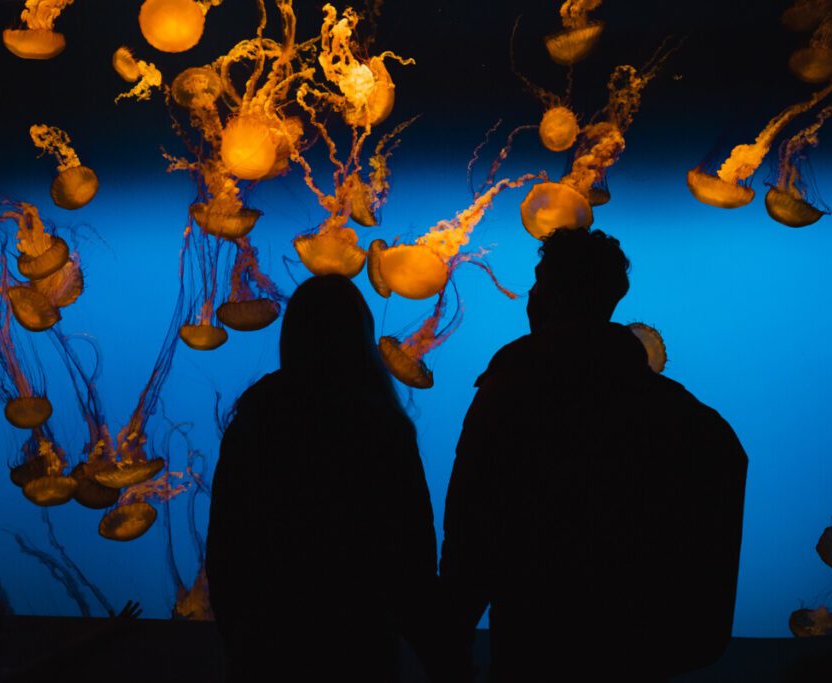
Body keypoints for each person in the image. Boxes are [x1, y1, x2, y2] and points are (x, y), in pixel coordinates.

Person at [439, 228, 748, 681]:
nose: (532, 295)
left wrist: (449, 637)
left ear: (554, 296)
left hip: (534, 648)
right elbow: (724, 467)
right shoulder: (687, 418)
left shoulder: (512, 393)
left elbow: (473, 527)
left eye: (540, 281)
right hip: (637, 653)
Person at [206, 275, 437, 682]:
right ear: (361, 339)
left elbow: (226, 549)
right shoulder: (383, 428)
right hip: (361, 647)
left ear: (291, 338)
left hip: (269, 647)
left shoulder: (256, 421)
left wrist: (240, 642)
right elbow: (413, 554)